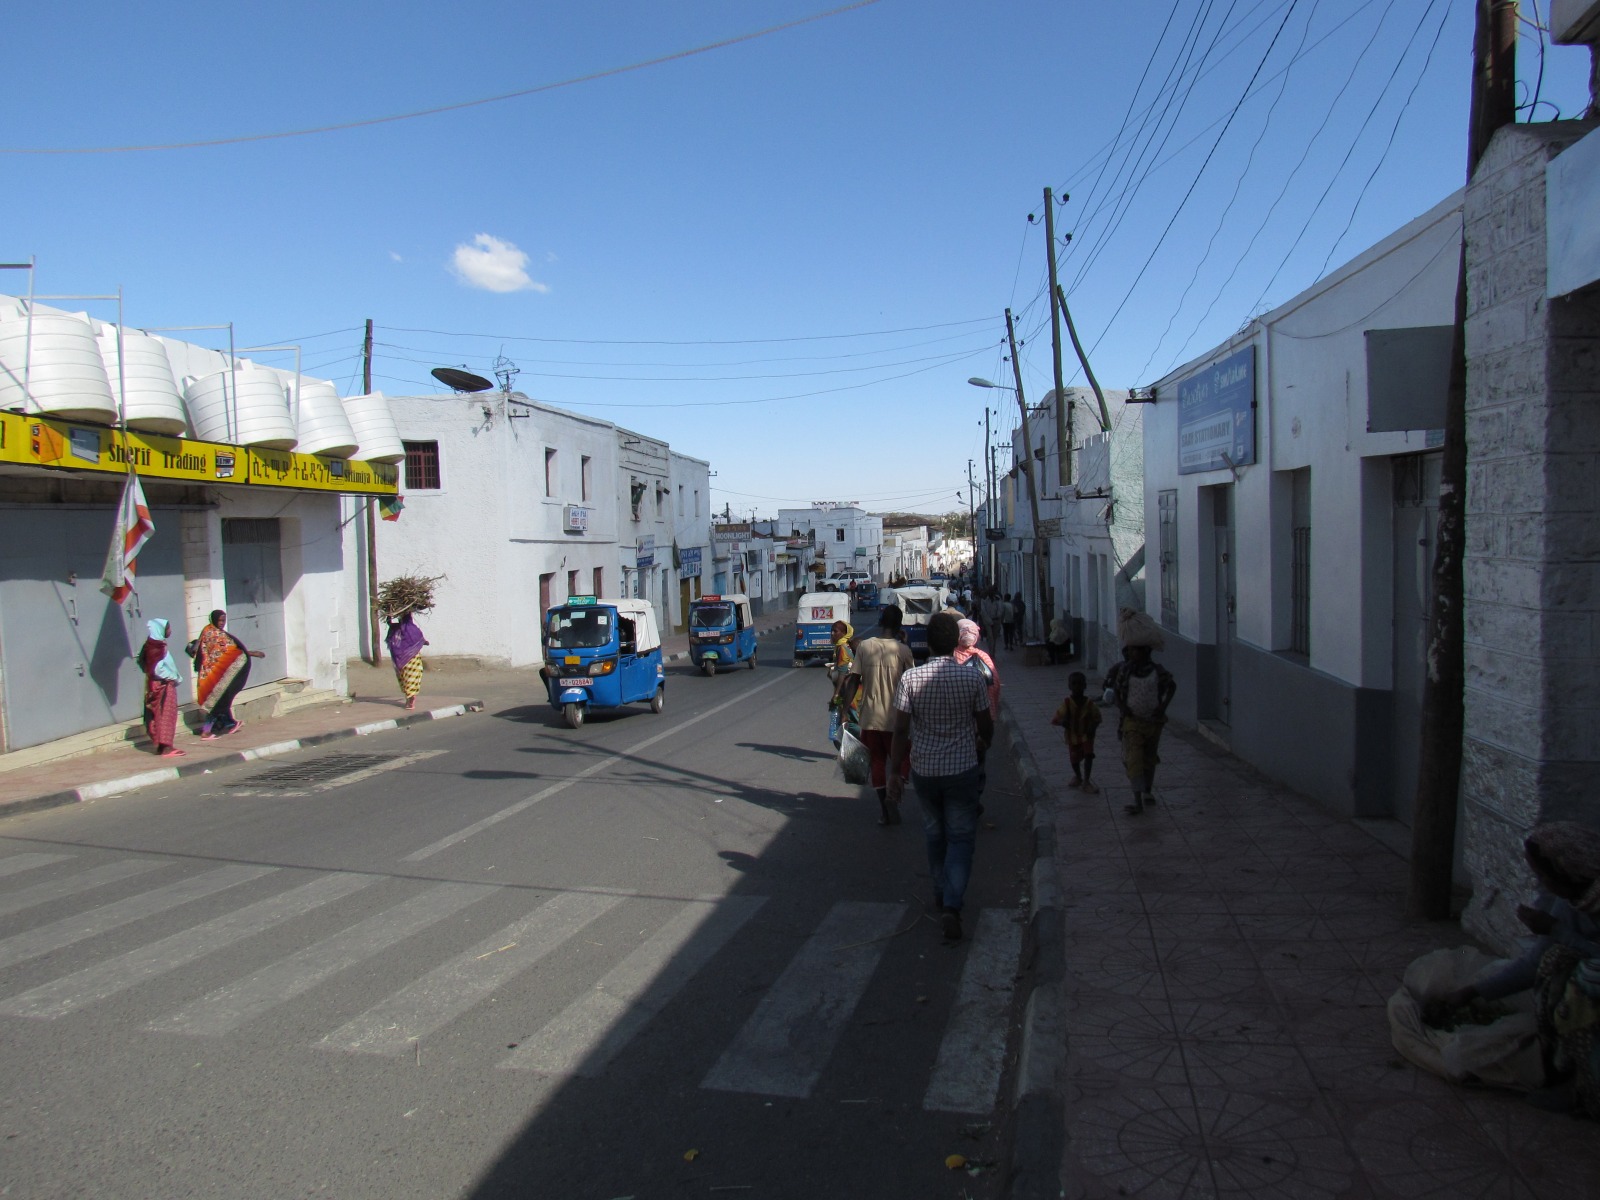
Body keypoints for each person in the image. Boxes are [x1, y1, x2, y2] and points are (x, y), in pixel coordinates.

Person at [1430, 822, 1600, 1116]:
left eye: (1544, 876)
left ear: (1570, 872)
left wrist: (1557, 931)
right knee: (1555, 961)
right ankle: (1568, 1070)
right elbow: (1534, 962)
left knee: (1585, 978)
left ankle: (1588, 1090)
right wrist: (1471, 993)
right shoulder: (1571, 901)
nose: (1542, 883)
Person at [887, 612, 994, 943]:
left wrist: (894, 772)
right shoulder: (972, 678)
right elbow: (985, 723)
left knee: (935, 834)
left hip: (925, 770)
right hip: (962, 768)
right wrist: (983, 742)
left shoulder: (911, 679)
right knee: (960, 838)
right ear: (955, 643)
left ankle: (939, 891)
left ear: (929, 643)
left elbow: (901, 730)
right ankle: (952, 903)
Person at [853, 605, 915, 825]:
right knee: (904, 757)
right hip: (897, 718)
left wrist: (843, 711)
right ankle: (894, 794)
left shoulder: (864, 646)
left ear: (880, 622)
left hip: (870, 718)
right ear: (899, 626)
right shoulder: (903, 651)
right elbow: (912, 681)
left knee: (877, 762)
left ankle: (884, 810)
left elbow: (853, 680)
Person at [1111, 614, 1176, 816]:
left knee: (1149, 758)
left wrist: (1162, 707)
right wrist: (1123, 707)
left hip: (1153, 723)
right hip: (1132, 722)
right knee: (1134, 759)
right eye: (1130, 650)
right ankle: (1137, 800)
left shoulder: (1157, 671)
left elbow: (1171, 686)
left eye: (1135, 650)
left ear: (1146, 651)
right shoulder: (1126, 671)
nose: (1131, 653)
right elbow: (1117, 692)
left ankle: (1147, 790)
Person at [189, 609, 266, 739]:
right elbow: (230, 652)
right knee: (216, 703)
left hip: (216, 675)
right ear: (214, 620)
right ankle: (207, 731)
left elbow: (230, 651)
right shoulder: (212, 633)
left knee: (222, 701)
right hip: (212, 676)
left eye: (224, 620)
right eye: (219, 620)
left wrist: (250, 653)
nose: (222, 623)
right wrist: (251, 653)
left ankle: (230, 724)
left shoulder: (215, 632)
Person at [138, 618, 185, 757]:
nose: (170, 631)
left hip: (157, 684)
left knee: (159, 715)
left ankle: (162, 746)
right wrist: (173, 677)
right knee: (166, 715)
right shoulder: (156, 647)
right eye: (167, 628)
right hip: (162, 685)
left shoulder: (154, 644)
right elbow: (157, 669)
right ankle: (166, 747)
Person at [1051, 671, 1102, 793]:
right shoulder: (1067, 703)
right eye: (1074, 684)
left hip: (1086, 735)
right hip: (1072, 735)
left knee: (1089, 755)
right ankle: (1078, 776)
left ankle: (1086, 781)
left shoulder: (1089, 704)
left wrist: (1093, 727)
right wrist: (1063, 722)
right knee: (1074, 759)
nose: (1077, 687)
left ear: (1085, 686)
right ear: (1069, 686)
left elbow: (1097, 717)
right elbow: (1056, 718)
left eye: (1080, 684)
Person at [385, 610, 429, 710]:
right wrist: (424, 642)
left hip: (400, 660)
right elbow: (420, 639)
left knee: (404, 677)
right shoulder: (413, 628)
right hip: (413, 658)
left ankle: (409, 699)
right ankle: (411, 698)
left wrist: (389, 616)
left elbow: (391, 636)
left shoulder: (395, 629)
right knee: (413, 677)